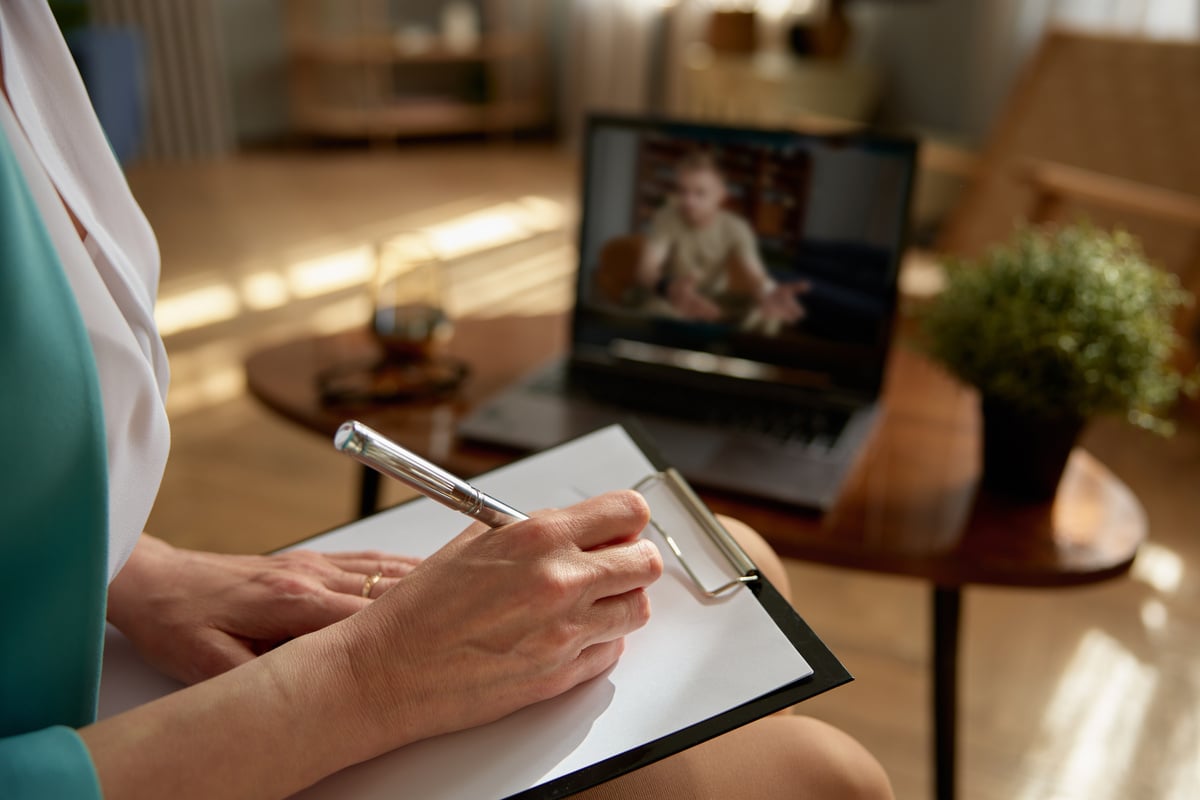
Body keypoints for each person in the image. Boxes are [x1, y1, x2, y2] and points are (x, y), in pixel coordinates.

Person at [0, 5, 893, 799]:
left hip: (64, 645)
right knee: (829, 776)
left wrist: (137, 568)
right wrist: (365, 678)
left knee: (743, 562)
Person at [635, 150, 810, 329]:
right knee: (658, 312)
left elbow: (755, 274)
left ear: (721, 194)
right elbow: (647, 269)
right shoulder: (666, 217)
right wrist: (669, 288)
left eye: (700, 193)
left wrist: (769, 291)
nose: (688, 201)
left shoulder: (736, 227)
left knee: (768, 316)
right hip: (668, 298)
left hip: (715, 300)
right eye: (682, 191)